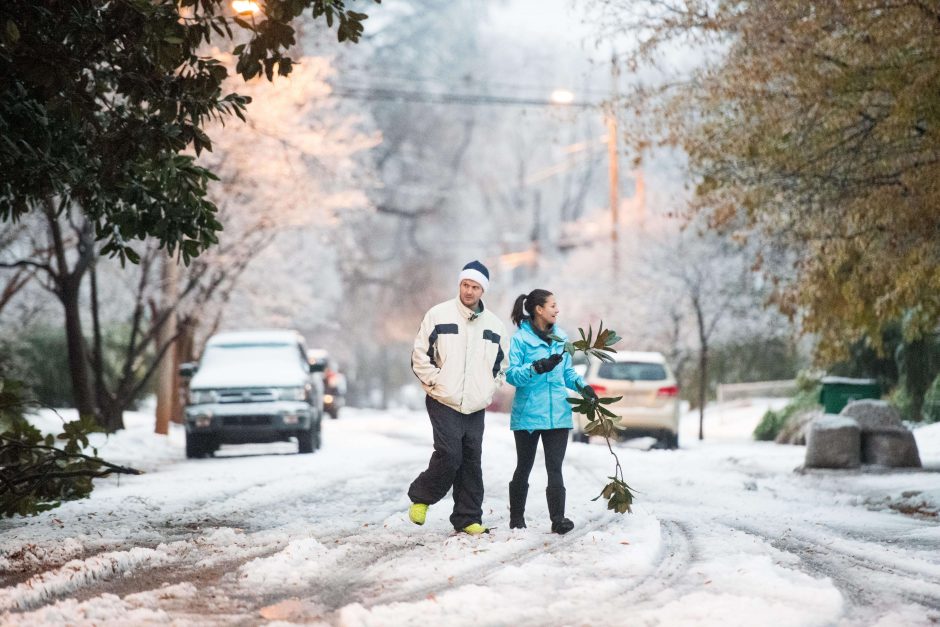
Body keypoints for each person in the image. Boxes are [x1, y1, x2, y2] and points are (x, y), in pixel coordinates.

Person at [407, 260, 509, 535]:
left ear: (482, 290)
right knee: (450, 454)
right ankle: (421, 497)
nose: (469, 291)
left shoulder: (495, 326)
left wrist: (488, 389)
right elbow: (420, 355)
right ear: (460, 285)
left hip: (475, 404)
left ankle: (467, 518)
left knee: (471, 459)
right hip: (443, 399)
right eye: (465, 284)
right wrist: (436, 383)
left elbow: (502, 365)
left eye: (475, 287)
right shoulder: (438, 316)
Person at [505, 288, 595, 534]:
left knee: (555, 467)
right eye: (553, 305)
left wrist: (585, 388)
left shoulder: (562, 338)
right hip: (528, 416)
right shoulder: (521, 339)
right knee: (524, 466)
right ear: (539, 309)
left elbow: (566, 373)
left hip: (558, 414)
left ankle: (558, 519)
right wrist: (537, 367)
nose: (557, 309)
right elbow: (512, 375)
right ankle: (516, 519)